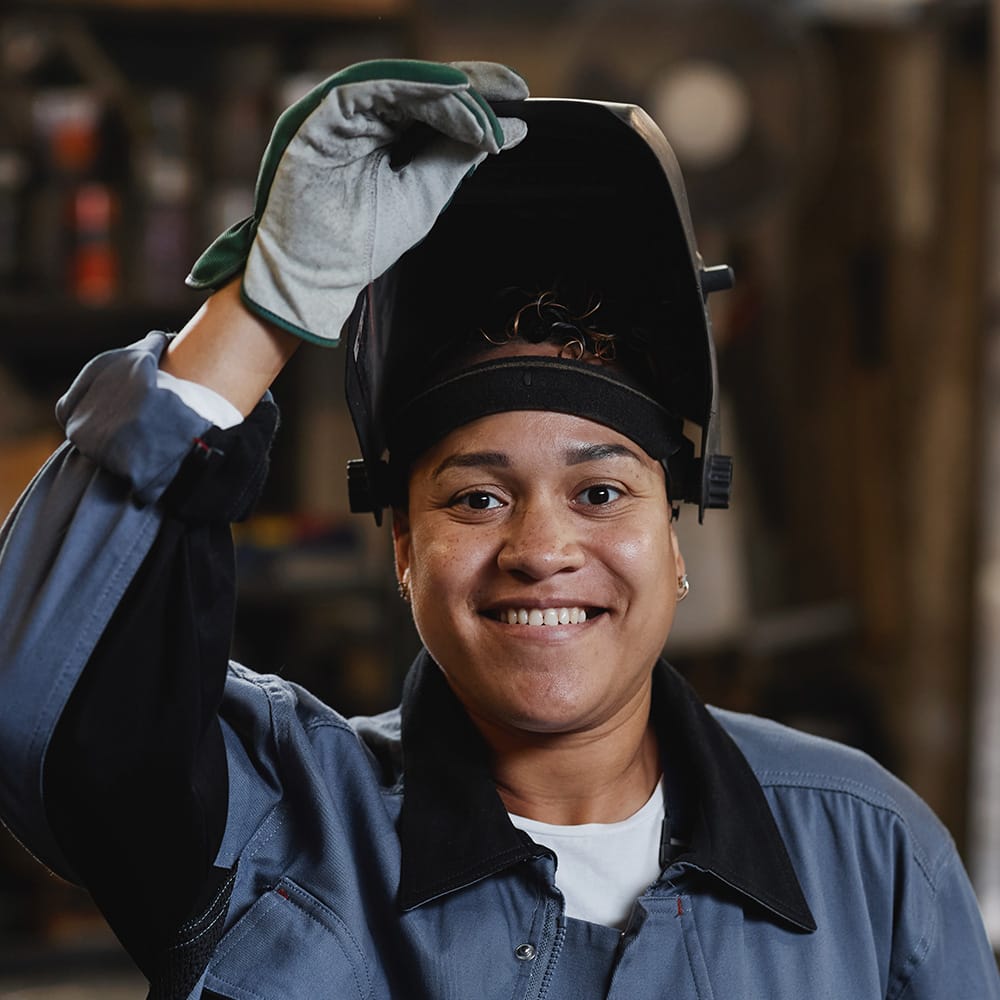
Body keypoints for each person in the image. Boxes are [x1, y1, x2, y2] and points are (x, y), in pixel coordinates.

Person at [0, 58, 997, 1000]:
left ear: (675, 536)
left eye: (600, 493)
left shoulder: (869, 854)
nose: (541, 547)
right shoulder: (275, 828)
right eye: (475, 497)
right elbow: (47, 718)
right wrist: (262, 310)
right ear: (400, 547)